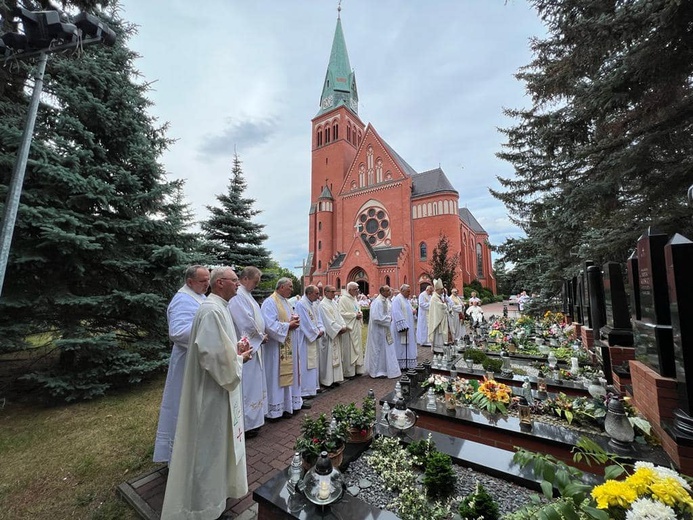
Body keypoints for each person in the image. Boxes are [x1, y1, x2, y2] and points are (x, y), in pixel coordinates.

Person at [161, 267, 252, 520]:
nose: (238, 285)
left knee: (218, 445)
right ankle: (203, 506)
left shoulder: (217, 306)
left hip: (217, 389)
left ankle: (216, 496)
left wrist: (234, 350)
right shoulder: (212, 310)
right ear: (221, 283)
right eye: (235, 281)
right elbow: (211, 357)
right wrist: (238, 359)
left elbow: (216, 348)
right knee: (209, 447)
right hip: (211, 391)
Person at [153, 265, 210, 464]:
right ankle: (178, 457)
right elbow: (177, 332)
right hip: (186, 362)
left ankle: (197, 451)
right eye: (203, 281)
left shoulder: (200, 297)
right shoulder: (182, 300)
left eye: (208, 280)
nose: (207, 284)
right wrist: (211, 334)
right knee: (182, 406)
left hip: (199, 360)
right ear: (189, 282)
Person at [227, 266, 268, 439]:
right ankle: (247, 423)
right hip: (246, 347)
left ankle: (255, 420)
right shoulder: (238, 297)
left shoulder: (247, 295)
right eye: (255, 281)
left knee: (254, 384)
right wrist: (259, 337)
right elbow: (245, 322)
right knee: (248, 386)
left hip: (254, 347)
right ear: (245, 279)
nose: (256, 285)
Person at [261, 278, 305, 420]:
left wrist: (293, 322)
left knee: (290, 375)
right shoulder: (270, 302)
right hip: (276, 349)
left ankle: (289, 405)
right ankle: (276, 409)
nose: (292, 289)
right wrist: (288, 326)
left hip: (288, 345)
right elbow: (269, 325)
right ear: (280, 287)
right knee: (276, 376)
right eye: (290, 287)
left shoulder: (286, 302)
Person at [295, 285, 325, 399]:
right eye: (316, 294)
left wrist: (321, 329)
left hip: (313, 337)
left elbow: (318, 319)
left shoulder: (313, 304)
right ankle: (305, 390)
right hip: (305, 339)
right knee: (305, 364)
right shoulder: (301, 304)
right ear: (309, 293)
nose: (318, 296)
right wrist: (316, 333)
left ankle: (313, 387)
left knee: (313, 363)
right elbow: (305, 323)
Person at [364, 285, 401, 379]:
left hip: (386, 330)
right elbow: (376, 317)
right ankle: (377, 371)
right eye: (388, 290)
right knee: (378, 349)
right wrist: (389, 319)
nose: (390, 292)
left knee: (386, 349)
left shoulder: (386, 300)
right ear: (382, 292)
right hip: (378, 331)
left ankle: (385, 369)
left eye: (389, 290)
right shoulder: (378, 302)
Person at [317, 285, 346, 387]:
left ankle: (335, 379)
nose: (334, 294)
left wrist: (343, 325)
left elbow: (339, 316)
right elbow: (328, 321)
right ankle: (327, 381)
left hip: (336, 333)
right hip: (329, 336)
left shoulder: (333, 303)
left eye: (335, 292)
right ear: (325, 292)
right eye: (332, 292)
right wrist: (339, 329)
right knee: (328, 358)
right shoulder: (322, 305)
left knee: (336, 356)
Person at [338, 282, 365, 378]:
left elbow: (357, 309)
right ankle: (349, 372)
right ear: (349, 290)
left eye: (358, 289)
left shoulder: (354, 299)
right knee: (349, 350)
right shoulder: (343, 299)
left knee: (357, 348)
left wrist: (360, 313)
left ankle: (358, 369)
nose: (358, 291)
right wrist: (354, 315)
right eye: (355, 289)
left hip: (356, 327)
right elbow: (341, 313)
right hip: (349, 329)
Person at [391, 284, 417, 370]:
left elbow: (408, 309)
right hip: (402, 328)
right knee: (401, 346)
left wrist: (413, 311)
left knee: (407, 345)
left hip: (408, 326)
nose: (409, 293)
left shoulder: (406, 300)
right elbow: (396, 313)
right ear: (402, 291)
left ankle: (407, 364)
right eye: (408, 291)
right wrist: (403, 326)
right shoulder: (397, 300)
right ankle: (401, 365)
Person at [427, 278, 450, 348]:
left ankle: (442, 347)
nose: (442, 291)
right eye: (441, 289)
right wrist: (445, 305)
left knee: (441, 335)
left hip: (441, 320)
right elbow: (440, 307)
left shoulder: (438, 297)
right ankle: (438, 349)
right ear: (437, 290)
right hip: (438, 321)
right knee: (438, 335)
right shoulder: (434, 298)